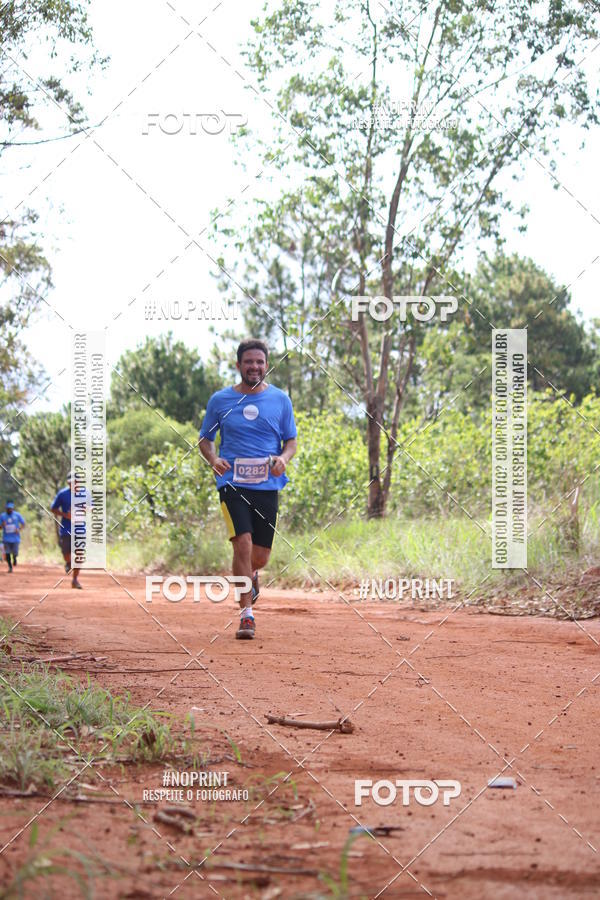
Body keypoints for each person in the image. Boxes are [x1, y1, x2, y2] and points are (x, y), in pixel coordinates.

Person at [199, 339, 297, 640]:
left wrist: (283, 458)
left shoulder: (281, 400)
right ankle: (247, 615)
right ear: (239, 365)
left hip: (267, 485)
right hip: (232, 485)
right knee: (241, 544)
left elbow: (290, 441)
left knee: (261, 556)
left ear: (266, 365)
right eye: (249, 362)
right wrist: (214, 459)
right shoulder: (220, 400)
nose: (255, 367)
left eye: (260, 362)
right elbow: (205, 439)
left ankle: (252, 575)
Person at [51, 473, 82, 589]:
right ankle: (68, 563)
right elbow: (53, 508)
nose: (74, 484)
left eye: (76, 482)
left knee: (80, 555)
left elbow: (92, 507)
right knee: (66, 553)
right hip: (66, 529)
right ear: (68, 482)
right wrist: (65, 515)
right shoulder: (62, 494)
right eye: (71, 482)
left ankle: (75, 580)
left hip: (80, 529)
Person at [1, 501, 25, 573]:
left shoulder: (17, 515)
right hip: (6, 538)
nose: (9, 510)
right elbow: (0, 527)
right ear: (6, 508)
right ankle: (10, 567)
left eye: (11, 508)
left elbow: (23, 523)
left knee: (15, 552)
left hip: (15, 538)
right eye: (8, 508)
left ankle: (14, 558)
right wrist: (2, 525)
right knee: (7, 553)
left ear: (13, 508)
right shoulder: (2, 516)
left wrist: (19, 529)